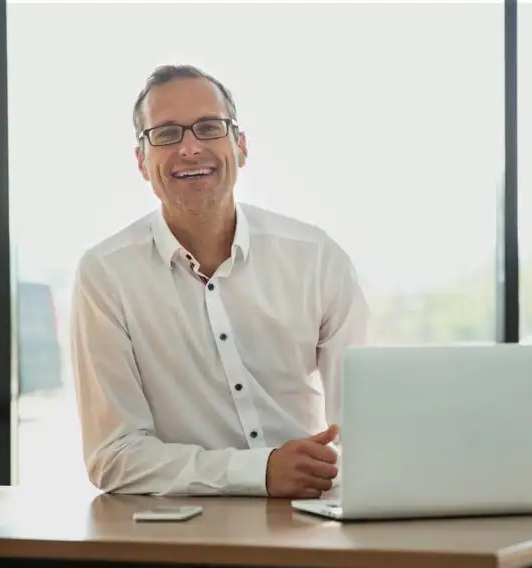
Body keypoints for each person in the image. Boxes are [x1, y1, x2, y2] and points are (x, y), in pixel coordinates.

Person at [70, 65, 373, 498]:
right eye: (167, 133)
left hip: (312, 522)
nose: (190, 148)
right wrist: (259, 472)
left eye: (209, 128)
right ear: (142, 160)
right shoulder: (105, 274)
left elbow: (363, 428)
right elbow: (114, 455)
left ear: (241, 146)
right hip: (181, 539)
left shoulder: (317, 257)